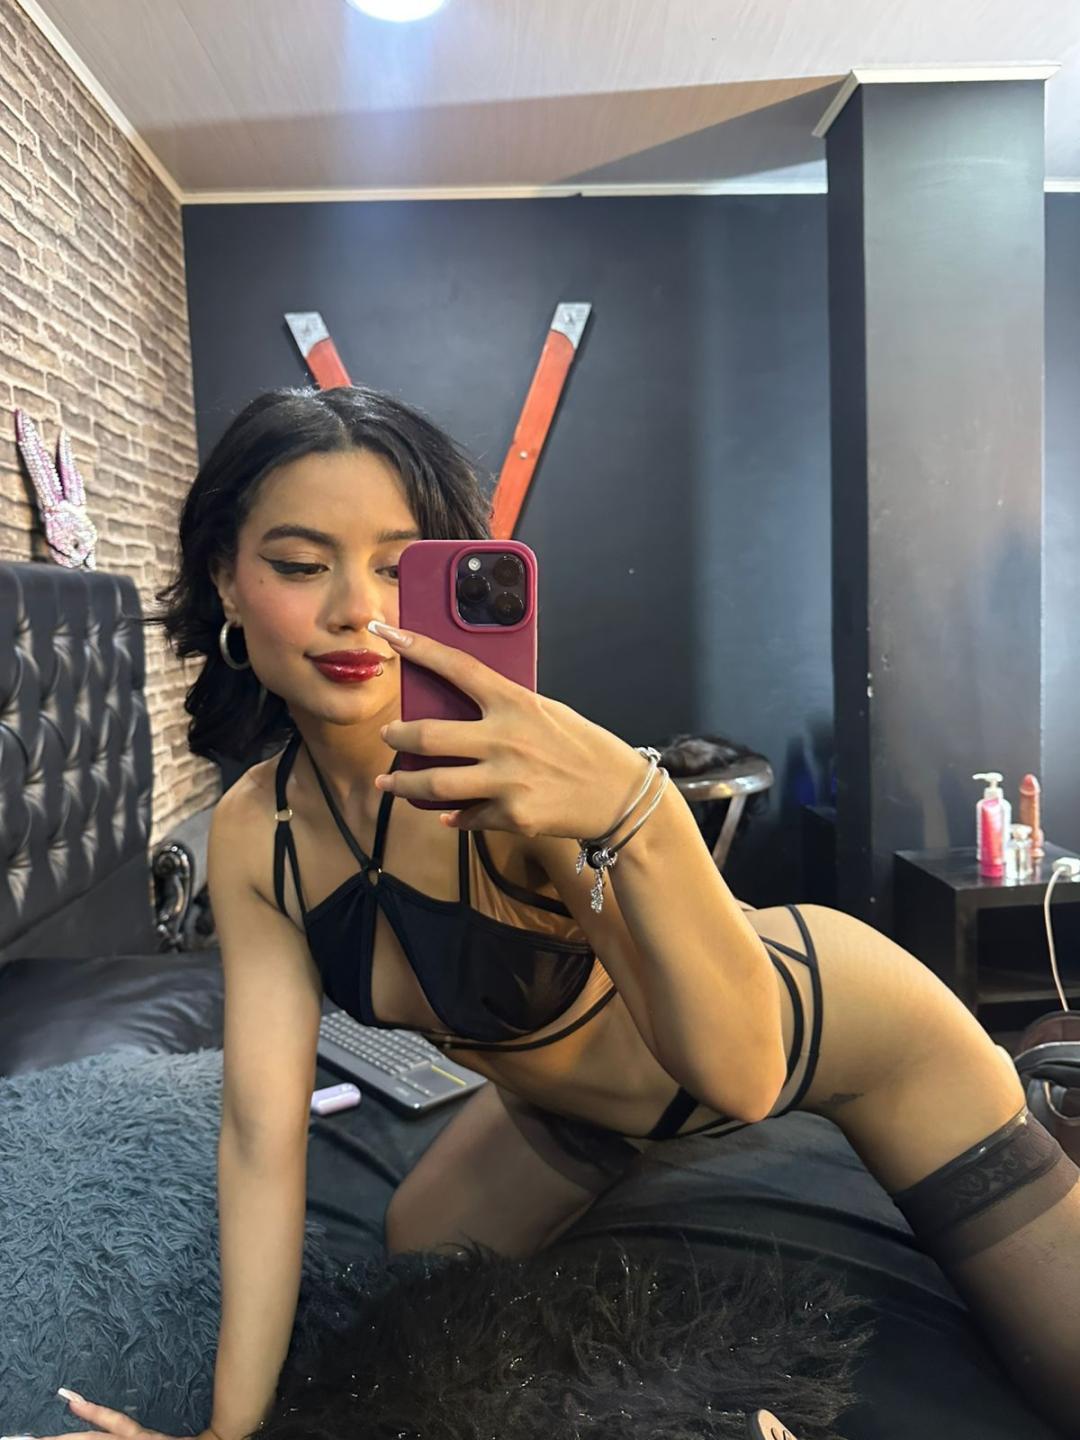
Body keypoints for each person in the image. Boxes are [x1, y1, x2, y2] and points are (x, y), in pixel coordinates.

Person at [44, 386, 1080, 1440]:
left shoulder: (521, 776)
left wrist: (637, 808)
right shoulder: (255, 832)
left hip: (845, 1038)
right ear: (226, 576)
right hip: (574, 1111)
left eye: (400, 569)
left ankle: (1042, 1098)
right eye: (303, 565)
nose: (356, 609)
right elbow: (262, 1138)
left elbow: (743, 1074)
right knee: (415, 1257)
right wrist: (226, 1435)